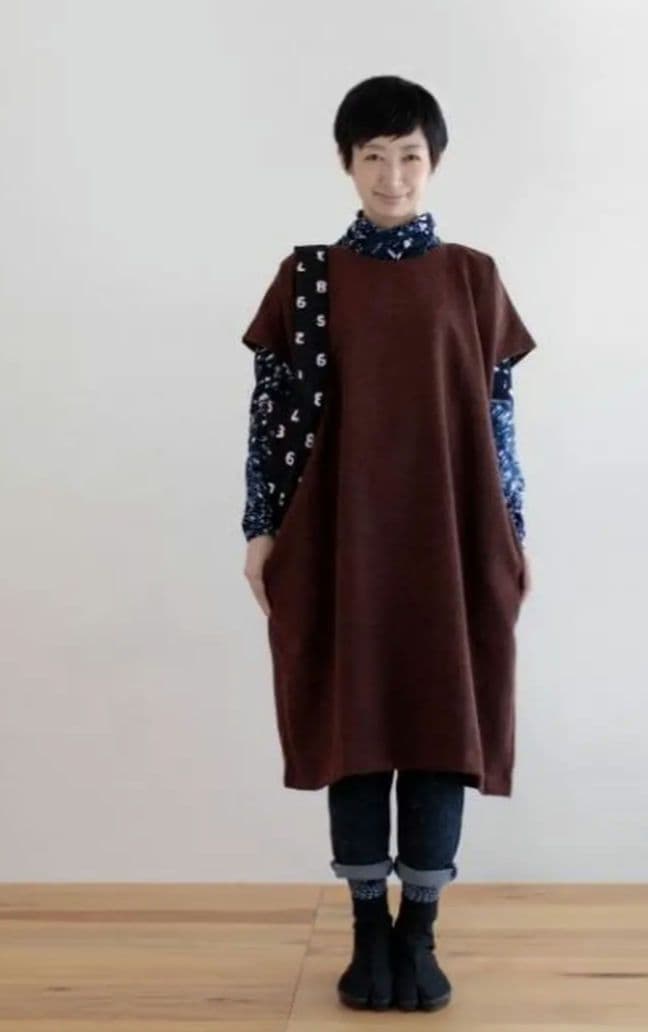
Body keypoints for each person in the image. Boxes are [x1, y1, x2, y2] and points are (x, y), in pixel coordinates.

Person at [239, 75, 537, 1013]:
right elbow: (270, 415)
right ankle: (369, 928)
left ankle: (421, 932)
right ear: (347, 163)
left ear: (433, 161)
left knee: (444, 724)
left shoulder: (472, 277)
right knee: (356, 725)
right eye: (373, 156)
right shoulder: (309, 279)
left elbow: (499, 417)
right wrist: (260, 527)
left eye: (409, 155)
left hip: (452, 534)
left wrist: (516, 529)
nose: (392, 175)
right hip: (339, 535)